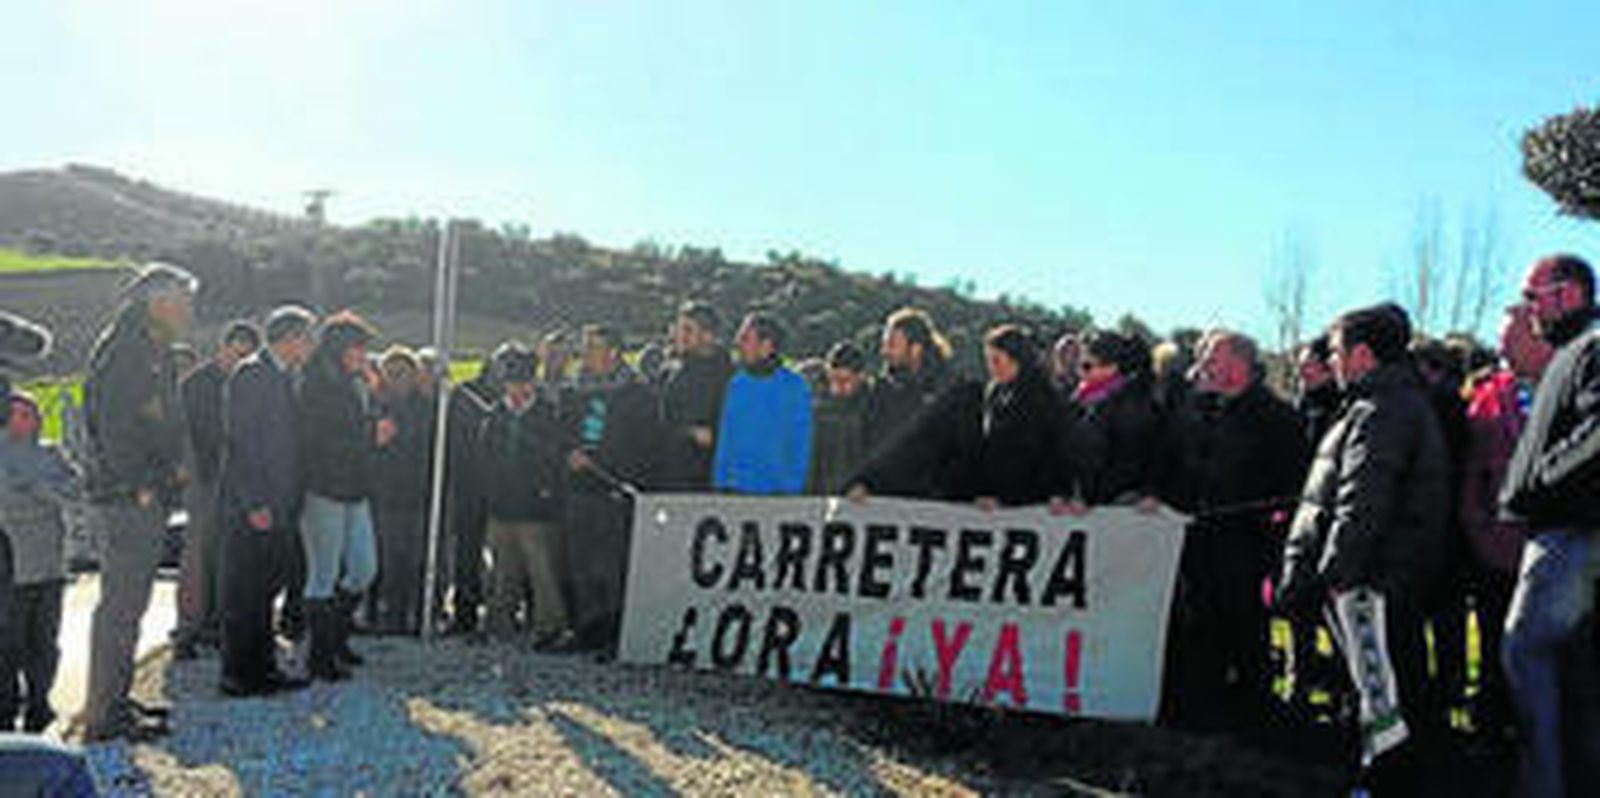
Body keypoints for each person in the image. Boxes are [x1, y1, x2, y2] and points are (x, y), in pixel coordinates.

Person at [1277, 303, 1450, 795]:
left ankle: (1384, 783)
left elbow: (1363, 499)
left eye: (1334, 351)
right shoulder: (1386, 403)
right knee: (1386, 690)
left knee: (1382, 696)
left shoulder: (1384, 410)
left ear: (1362, 355)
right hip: (1381, 577)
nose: (1329, 360)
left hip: (1371, 582)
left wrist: (1336, 574)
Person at [1156, 331, 1310, 740]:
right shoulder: (1195, 408)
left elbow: (1293, 483)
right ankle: (1204, 706)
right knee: (1199, 627)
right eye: (1203, 354)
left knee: (1245, 627)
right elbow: (1174, 462)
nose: (1202, 361)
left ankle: (1254, 713)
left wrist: (1267, 528)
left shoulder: (1276, 418)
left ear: (1238, 364)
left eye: (1212, 356)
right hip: (1195, 537)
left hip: (1245, 542)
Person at [80, 262, 197, 742]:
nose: (189, 309)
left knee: (130, 606)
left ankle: (115, 702)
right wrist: (141, 484)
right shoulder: (127, 352)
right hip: (129, 499)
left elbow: (160, 419)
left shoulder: (150, 349)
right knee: (122, 608)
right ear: (158, 302)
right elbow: (117, 429)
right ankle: (104, 716)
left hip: (142, 494)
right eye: (183, 299)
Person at [1499, 254, 1600, 798]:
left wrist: (1541, 478)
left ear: (1568, 294)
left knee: (1525, 653)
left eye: (1531, 296)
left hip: (1569, 535)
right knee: (1572, 680)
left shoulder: (1591, 350)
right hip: (1563, 532)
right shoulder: (1570, 355)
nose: (1526, 309)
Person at [1456, 304, 1552, 748]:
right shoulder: (1488, 396)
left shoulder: (1574, 386)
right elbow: (1470, 474)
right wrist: (1480, 532)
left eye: (1510, 340)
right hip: (1497, 553)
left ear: (1537, 338)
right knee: (1497, 642)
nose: (1501, 349)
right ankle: (1495, 729)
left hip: (1558, 549)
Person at [849, 325, 1074, 508]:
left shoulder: (1045, 399)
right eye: (988, 361)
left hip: (1032, 504)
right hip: (988, 503)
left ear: (1018, 360)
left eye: (997, 361)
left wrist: (1057, 492)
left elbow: (1056, 451)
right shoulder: (992, 394)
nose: (992, 369)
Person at [218, 306, 316, 697]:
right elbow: (242, 443)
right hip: (254, 507)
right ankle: (239, 674)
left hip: (279, 504)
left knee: (263, 592)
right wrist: (255, 501)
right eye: (307, 337)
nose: (310, 346)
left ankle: (262, 668)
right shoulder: (253, 374)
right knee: (245, 592)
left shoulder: (281, 375)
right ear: (290, 337)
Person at [298, 312, 385, 682]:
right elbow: (319, 440)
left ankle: (335, 637)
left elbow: (365, 424)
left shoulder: (354, 382)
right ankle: (320, 656)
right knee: (324, 574)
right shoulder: (314, 383)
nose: (363, 354)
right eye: (358, 347)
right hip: (324, 488)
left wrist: (373, 406)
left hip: (355, 486)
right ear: (339, 347)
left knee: (364, 568)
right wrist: (370, 435)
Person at [564, 325, 659, 653]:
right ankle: (586, 629)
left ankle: (615, 635)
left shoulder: (638, 393)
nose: (586, 353)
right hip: (578, 488)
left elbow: (644, 445)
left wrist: (601, 461)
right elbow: (563, 431)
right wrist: (570, 455)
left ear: (614, 352)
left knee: (611, 566)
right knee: (580, 564)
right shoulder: (575, 389)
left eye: (594, 346)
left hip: (614, 490)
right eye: (585, 346)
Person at [174, 320, 261, 659]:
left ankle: (223, 621)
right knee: (199, 554)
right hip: (207, 477)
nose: (240, 360)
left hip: (239, 480)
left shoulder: (249, 383)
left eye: (246, 355)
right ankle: (191, 626)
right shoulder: (197, 384)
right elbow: (189, 434)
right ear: (223, 347)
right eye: (236, 353)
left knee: (232, 556)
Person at [479, 347, 571, 647]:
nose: (518, 389)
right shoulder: (495, 415)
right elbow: (485, 459)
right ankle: (498, 623)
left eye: (524, 382)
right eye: (513, 382)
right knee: (503, 572)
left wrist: (547, 493)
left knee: (542, 572)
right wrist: (491, 494)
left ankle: (549, 626)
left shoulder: (549, 415)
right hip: (502, 506)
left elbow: (554, 461)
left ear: (533, 383)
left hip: (537, 508)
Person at [0, 392, 79, 732]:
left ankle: (39, 704)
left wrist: (34, 488)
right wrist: (48, 495)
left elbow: (75, 487)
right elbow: (7, 501)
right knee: (8, 644)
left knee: (45, 644)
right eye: (17, 413)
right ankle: (5, 709)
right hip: (15, 566)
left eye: (29, 413)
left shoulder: (51, 452)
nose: (25, 419)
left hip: (52, 565)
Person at [440, 349, 505, 635]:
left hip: (503, 486)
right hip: (468, 484)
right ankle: (465, 612)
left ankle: (501, 611)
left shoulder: (517, 395)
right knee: (467, 552)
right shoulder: (464, 394)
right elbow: (454, 439)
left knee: (506, 553)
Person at [370, 347, 434, 635]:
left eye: (403, 373)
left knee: (417, 558)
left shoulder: (429, 407)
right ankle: (388, 614)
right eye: (391, 373)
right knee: (388, 557)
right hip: (386, 494)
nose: (397, 379)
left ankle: (419, 612)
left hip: (419, 493)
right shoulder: (375, 406)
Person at [712, 313, 812, 496]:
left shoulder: (795, 387)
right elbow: (726, 438)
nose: (737, 343)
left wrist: (791, 490)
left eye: (745, 339)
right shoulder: (736, 384)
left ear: (766, 346)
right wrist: (720, 482)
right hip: (735, 492)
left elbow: (800, 444)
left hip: (777, 495)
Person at [1070, 330, 1161, 505]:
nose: (1079, 372)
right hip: (1093, 502)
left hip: (1116, 504)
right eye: (1078, 364)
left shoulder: (1130, 404)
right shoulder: (1086, 398)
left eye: (1086, 366)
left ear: (1112, 367)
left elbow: (1128, 460)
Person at [656, 302, 734, 490]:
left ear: (708, 336)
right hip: (671, 475)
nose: (678, 336)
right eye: (678, 329)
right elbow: (663, 421)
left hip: (710, 478)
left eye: (687, 330)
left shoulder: (730, 376)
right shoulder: (669, 372)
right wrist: (689, 432)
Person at [864, 308, 955, 459]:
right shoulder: (879, 391)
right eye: (884, 344)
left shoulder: (945, 391)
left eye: (892, 345)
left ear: (915, 349)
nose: (884, 351)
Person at [807, 341, 872, 495]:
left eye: (845, 380)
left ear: (861, 376)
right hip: (822, 497)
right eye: (833, 380)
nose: (838, 387)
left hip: (861, 498)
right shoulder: (818, 410)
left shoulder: (874, 408)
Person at [1295, 335, 1341, 448]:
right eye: (1299, 366)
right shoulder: (1302, 403)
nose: (1301, 372)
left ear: (1328, 368)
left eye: (1308, 365)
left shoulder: (1342, 404)